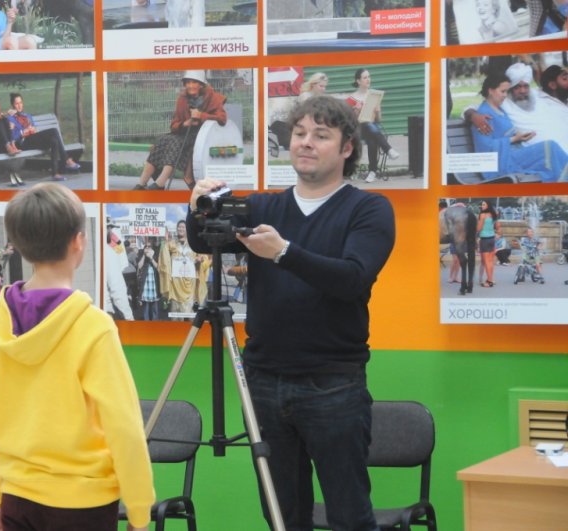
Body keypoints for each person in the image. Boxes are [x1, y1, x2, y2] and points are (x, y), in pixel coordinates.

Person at [186, 95, 395, 530]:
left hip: (333, 383)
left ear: (346, 148)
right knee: (281, 516)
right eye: (299, 133)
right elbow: (205, 242)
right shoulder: (263, 207)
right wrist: (196, 206)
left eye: (321, 135)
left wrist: (284, 252)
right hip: (262, 381)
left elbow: (352, 278)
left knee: (349, 514)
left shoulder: (369, 209)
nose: (305, 143)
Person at [0, 182, 154, 531]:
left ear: (17, 246)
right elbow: (124, 426)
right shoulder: (94, 326)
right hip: (84, 503)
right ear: (79, 241)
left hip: (15, 497)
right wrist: (140, 513)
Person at [132, 70, 227, 190]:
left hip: (202, 136)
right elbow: (174, 125)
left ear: (201, 84)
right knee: (163, 140)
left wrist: (201, 115)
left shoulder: (212, 98)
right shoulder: (182, 98)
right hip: (184, 132)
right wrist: (184, 124)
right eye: (188, 82)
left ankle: (160, 183)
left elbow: (222, 119)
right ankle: (142, 183)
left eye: (194, 82)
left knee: (175, 143)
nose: (190, 85)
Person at [470, 71, 568, 183]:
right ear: (491, 91)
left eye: (507, 91)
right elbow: (485, 147)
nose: (505, 95)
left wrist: (520, 137)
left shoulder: (500, 108)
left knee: (550, 155)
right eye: (502, 91)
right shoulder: (483, 115)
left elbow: (504, 133)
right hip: (501, 162)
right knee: (550, 147)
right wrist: (514, 139)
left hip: (513, 154)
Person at [467, 62, 568, 154]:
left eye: (526, 86)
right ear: (509, 89)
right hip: (537, 154)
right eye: (517, 87)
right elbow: (472, 107)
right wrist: (473, 115)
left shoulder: (537, 94)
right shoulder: (503, 101)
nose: (523, 91)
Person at [6, 92, 81, 182]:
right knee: (54, 130)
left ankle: (55, 173)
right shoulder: (10, 118)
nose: (19, 105)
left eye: (21, 102)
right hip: (23, 143)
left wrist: (32, 129)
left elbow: (34, 130)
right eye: (16, 103)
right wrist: (22, 132)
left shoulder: (27, 116)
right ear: (12, 105)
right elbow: (12, 137)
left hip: (33, 139)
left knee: (54, 141)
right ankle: (66, 160)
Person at [346, 68, 401, 183]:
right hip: (358, 130)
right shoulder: (351, 99)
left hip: (371, 129)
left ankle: (372, 172)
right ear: (358, 81)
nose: (368, 79)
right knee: (367, 124)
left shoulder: (374, 95)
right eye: (365, 77)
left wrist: (377, 111)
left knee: (371, 136)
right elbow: (349, 122)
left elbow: (379, 120)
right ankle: (388, 150)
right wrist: (356, 112)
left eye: (369, 77)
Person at [158, 219, 203, 316]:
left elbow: (202, 257)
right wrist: (163, 242)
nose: (180, 229)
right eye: (179, 227)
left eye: (183, 227)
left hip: (190, 284)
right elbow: (163, 257)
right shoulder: (171, 244)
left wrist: (200, 260)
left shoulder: (193, 244)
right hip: (175, 283)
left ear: (187, 229)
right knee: (175, 314)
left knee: (189, 314)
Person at [104, 219, 135, 320]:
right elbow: (117, 289)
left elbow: (120, 255)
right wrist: (129, 318)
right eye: (109, 227)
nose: (111, 230)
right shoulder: (108, 247)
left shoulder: (113, 241)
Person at [136, 239, 161, 320]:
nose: (147, 248)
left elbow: (158, 267)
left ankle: (154, 325)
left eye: (149, 246)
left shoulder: (156, 254)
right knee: (145, 308)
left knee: (154, 308)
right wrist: (144, 255)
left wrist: (151, 258)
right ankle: (146, 324)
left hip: (154, 285)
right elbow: (139, 266)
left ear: (152, 247)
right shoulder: (141, 254)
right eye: (145, 246)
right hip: (145, 286)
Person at [476, 200, 499, 287]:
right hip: (492, 239)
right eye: (482, 204)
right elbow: (497, 226)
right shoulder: (493, 215)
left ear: (488, 205)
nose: (482, 206)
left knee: (486, 262)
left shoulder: (482, 215)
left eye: (484, 204)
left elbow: (479, 228)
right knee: (490, 261)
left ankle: (489, 281)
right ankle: (490, 279)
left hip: (485, 240)